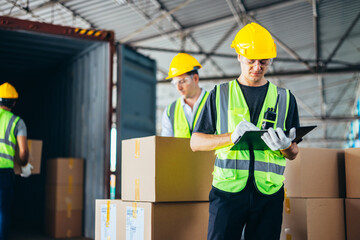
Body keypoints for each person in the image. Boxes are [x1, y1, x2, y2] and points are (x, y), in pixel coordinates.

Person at [190, 22, 300, 240]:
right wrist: (231, 137)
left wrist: (286, 146)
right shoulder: (219, 95)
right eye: (251, 61)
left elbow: (294, 153)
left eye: (263, 61)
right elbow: (196, 143)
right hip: (227, 192)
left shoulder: (285, 99)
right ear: (239, 56)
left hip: (269, 194)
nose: (257, 67)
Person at [0, 82, 33, 240]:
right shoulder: (17, 122)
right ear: (13, 103)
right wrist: (24, 165)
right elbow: (23, 151)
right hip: (4, 173)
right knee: (2, 212)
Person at [161, 53, 209, 138]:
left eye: (182, 82)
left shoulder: (215, 101)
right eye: (175, 83)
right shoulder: (170, 111)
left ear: (195, 78)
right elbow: (165, 144)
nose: (178, 88)